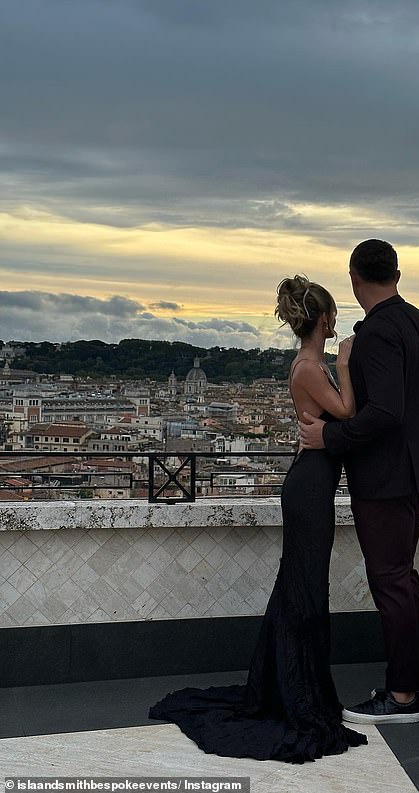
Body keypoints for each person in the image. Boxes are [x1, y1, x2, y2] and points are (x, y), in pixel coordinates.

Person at [148, 275, 367, 763]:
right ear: (323, 318)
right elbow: (348, 412)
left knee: (301, 588)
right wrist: (346, 364)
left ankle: (289, 686)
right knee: (305, 591)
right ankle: (297, 694)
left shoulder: (307, 364)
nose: (336, 321)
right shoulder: (310, 366)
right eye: (332, 314)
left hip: (311, 483)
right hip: (309, 488)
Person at [299, 239, 419, 725]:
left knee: (389, 580)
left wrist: (331, 435)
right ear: (397, 274)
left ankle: (402, 696)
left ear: (354, 279)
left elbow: (385, 412)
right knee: (403, 577)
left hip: (385, 476)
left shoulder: (374, 335)